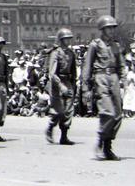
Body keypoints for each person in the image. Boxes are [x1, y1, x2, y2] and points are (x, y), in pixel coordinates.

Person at [82, 15, 125, 161]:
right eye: (109, 28)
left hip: (114, 78)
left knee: (118, 115)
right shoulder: (95, 45)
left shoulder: (116, 46)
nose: (112, 31)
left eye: (113, 28)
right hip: (100, 77)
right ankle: (101, 140)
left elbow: (121, 65)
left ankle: (108, 146)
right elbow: (87, 66)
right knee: (108, 112)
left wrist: (123, 81)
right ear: (102, 29)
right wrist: (86, 88)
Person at [45, 28, 76, 145]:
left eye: (69, 38)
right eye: (66, 39)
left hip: (68, 81)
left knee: (68, 110)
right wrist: (61, 86)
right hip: (57, 83)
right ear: (61, 40)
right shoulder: (55, 53)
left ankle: (64, 136)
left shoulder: (71, 53)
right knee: (58, 110)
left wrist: (72, 85)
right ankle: (50, 128)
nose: (68, 41)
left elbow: (73, 71)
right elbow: (52, 73)